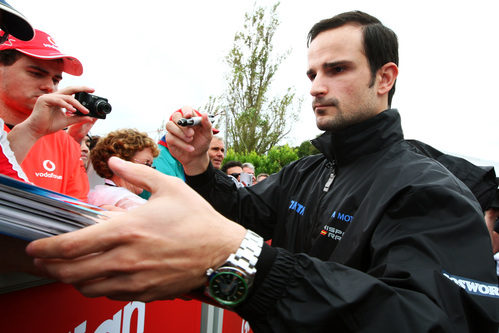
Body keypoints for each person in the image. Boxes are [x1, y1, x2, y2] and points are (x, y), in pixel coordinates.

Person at [26, 10, 499, 332]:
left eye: (336, 69)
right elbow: (239, 209)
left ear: (385, 78)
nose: (316, 87)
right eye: (312, 74)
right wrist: (197, 166)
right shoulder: (307, 171)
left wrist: (251, 266)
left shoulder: (428, 190)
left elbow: (434, 321)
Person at [0, 28, 90, 201]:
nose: (49, 86)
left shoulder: (66, 145)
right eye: (36, 74)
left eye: (56, 80)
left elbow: (77, 211)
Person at [87, 128, 159, 210]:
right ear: (121, 163)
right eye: (147, 164)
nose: (151, 172)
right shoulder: (128, 201)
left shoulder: (94, 195)